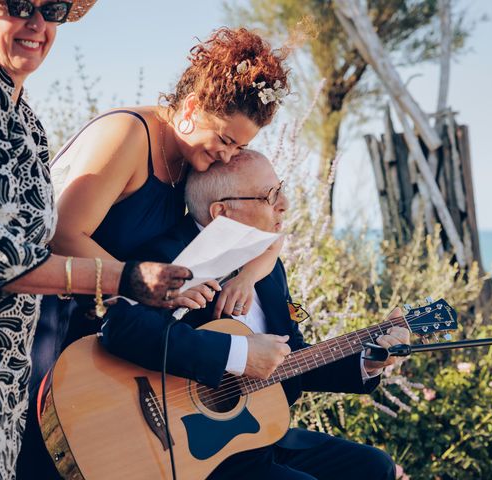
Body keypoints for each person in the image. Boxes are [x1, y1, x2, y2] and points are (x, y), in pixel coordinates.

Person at [0, 1, 190, 477]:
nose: (37, 24)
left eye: (54, 9)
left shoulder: (20, 112)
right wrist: (123, 279)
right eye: (19, 5)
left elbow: (31, 252)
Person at [15, 27, 292, 477]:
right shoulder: (127, 135)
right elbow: (63, 235)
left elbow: (272, 233)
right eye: (225, 140)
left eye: (240, 147)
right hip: (48, 323)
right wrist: (144, 285)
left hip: (114, 332)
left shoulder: (190, 157)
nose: (227, 157)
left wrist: (247, 277)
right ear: (188, 109)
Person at [100, 150, 411, 479]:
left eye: (281, 189)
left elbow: (291, 358)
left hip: (256, 435)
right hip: (184, 446)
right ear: (222, 212)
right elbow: (122, 327)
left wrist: (366, 360)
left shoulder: (269, 268)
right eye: (270, 195)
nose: (284, 204)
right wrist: (240, 354)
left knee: (375, 467)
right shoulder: (168, 255)